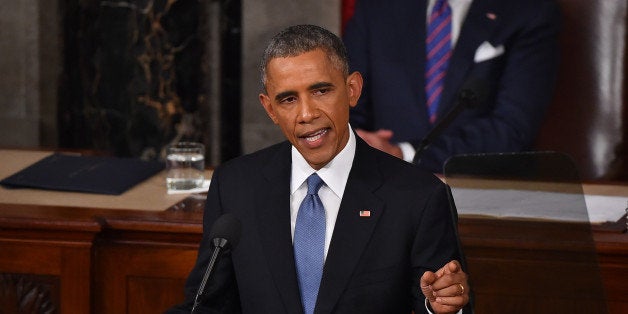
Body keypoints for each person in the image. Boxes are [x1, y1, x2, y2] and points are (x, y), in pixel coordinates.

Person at [168, 24, 469, 314]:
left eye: (321, 91)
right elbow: (207, 305)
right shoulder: (234, 186)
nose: (307, 113)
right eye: (288, 99)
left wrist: (440, 307)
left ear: (352, 90)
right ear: (270, 109)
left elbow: (445, 299)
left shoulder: (420, 197)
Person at [343, 0, 560, 173]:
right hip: (386, 192)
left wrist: (405, 153)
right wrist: (359, 145)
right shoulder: (377, 7)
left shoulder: (530, 10)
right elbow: (348, 106)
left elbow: (512, 128)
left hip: (482, 196)